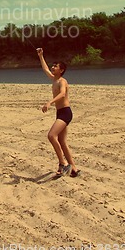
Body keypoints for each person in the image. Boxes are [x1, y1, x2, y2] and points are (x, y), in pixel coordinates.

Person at [36, 48, 80, 177]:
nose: (53, 67)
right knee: (62, 142)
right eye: (53, 65)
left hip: (66, 113)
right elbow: (45, 69)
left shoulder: (62, 81)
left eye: (55, 66)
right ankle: (74, 169)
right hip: (60, 112)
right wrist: (41, 56)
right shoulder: (54, 79)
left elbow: (62, 94)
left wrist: (50, 102)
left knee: (51, 136)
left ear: (61, 70)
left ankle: (63, 163)